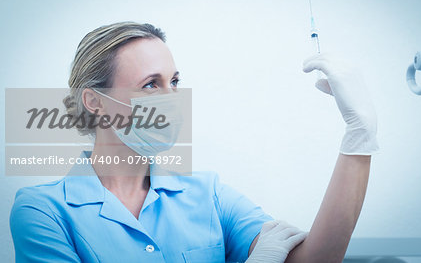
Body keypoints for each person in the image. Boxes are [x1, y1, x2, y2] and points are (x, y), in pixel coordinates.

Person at [10, 21, 378, 262]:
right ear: (94, 101)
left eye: (175, 82)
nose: (172, 97)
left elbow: (315, 260)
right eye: (151, 84)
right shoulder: (43, 211)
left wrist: (358, 136)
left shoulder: (208, 193)